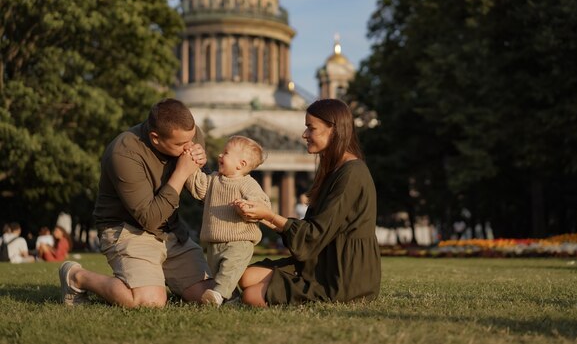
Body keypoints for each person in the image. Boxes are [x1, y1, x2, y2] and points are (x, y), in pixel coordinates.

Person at [58, 98, 214, 307]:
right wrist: (182, 171)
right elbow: (148, 219)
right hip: (128, 230)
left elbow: (201, 191)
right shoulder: (124, 153)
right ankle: (76, 277)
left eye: (192, 138)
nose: (189, 147)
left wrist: (199, 167)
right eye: (180, 144)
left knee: (212, 296)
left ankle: (157, 278)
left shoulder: (189, 135)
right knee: (150, 302)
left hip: (170, 229)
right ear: (155, 138)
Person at [234, 98, 381, 307]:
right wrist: (263, 217)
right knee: (246, 277)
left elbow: (315, 233)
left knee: (251, 296)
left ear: (333, 129)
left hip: (343, 272)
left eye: (311, 128)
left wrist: (270, 215)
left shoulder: (352, 173)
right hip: (322, 259)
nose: (304, 134)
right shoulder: (334, 169)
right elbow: (315, 229)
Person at [182, 135, 271, 306]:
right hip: (214, 242)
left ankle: (216, 296)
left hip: (239, 241)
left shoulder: (247, 184)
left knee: (228, 272)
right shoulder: (214, 180)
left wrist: (246, 206)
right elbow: (197, 185)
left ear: (241, 164)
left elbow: (262, 203)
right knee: (219, 275)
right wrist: (190, 163)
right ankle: (232, 300)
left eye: (226, 153)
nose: (220, 156)